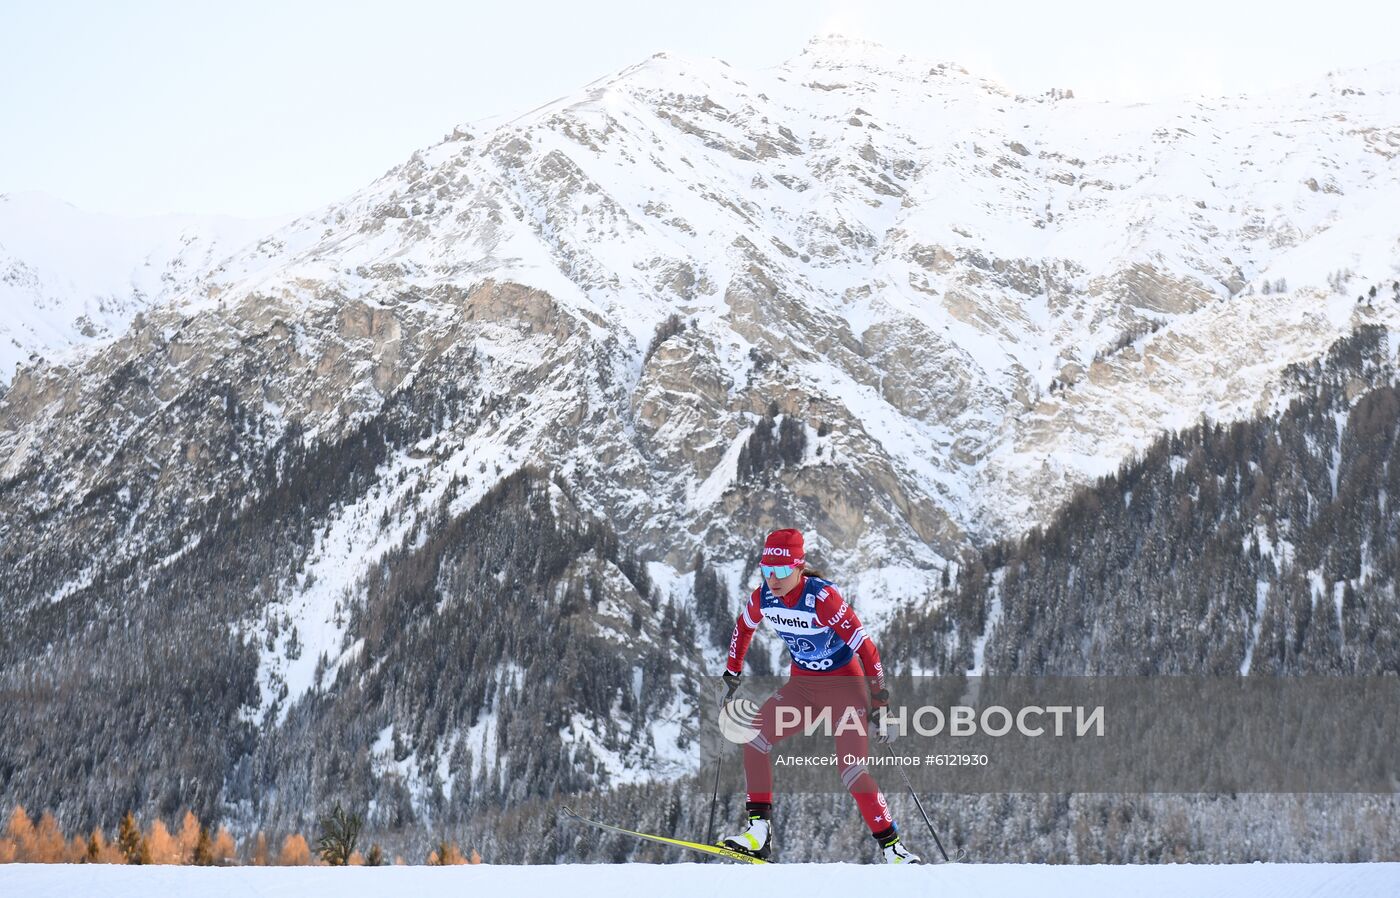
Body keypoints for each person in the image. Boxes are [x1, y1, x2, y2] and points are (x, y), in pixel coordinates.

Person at [718, 528, 921, 864]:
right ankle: (759, 834)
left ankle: (893, 848)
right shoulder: (763, 598)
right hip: (803, 687)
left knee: (851, 770)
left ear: (799, 567)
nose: (774, 579)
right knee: (754, 738)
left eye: (782, 571)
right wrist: (733, 670)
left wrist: (881, 703)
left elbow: (868, 650)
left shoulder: (823, 600)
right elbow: (743, 627)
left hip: (845, 687)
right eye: (767, 571)